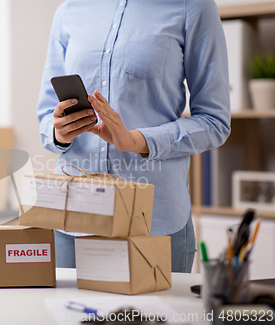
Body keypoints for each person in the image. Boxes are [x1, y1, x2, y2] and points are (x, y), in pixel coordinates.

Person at [37, 0, 231, 273]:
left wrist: (136, 140)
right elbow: (46, 116)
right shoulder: (69, 11)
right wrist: (59, 132)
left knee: (156, 317)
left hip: (154, 223)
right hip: (72, 221)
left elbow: (215, 121)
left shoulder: (193, 7)